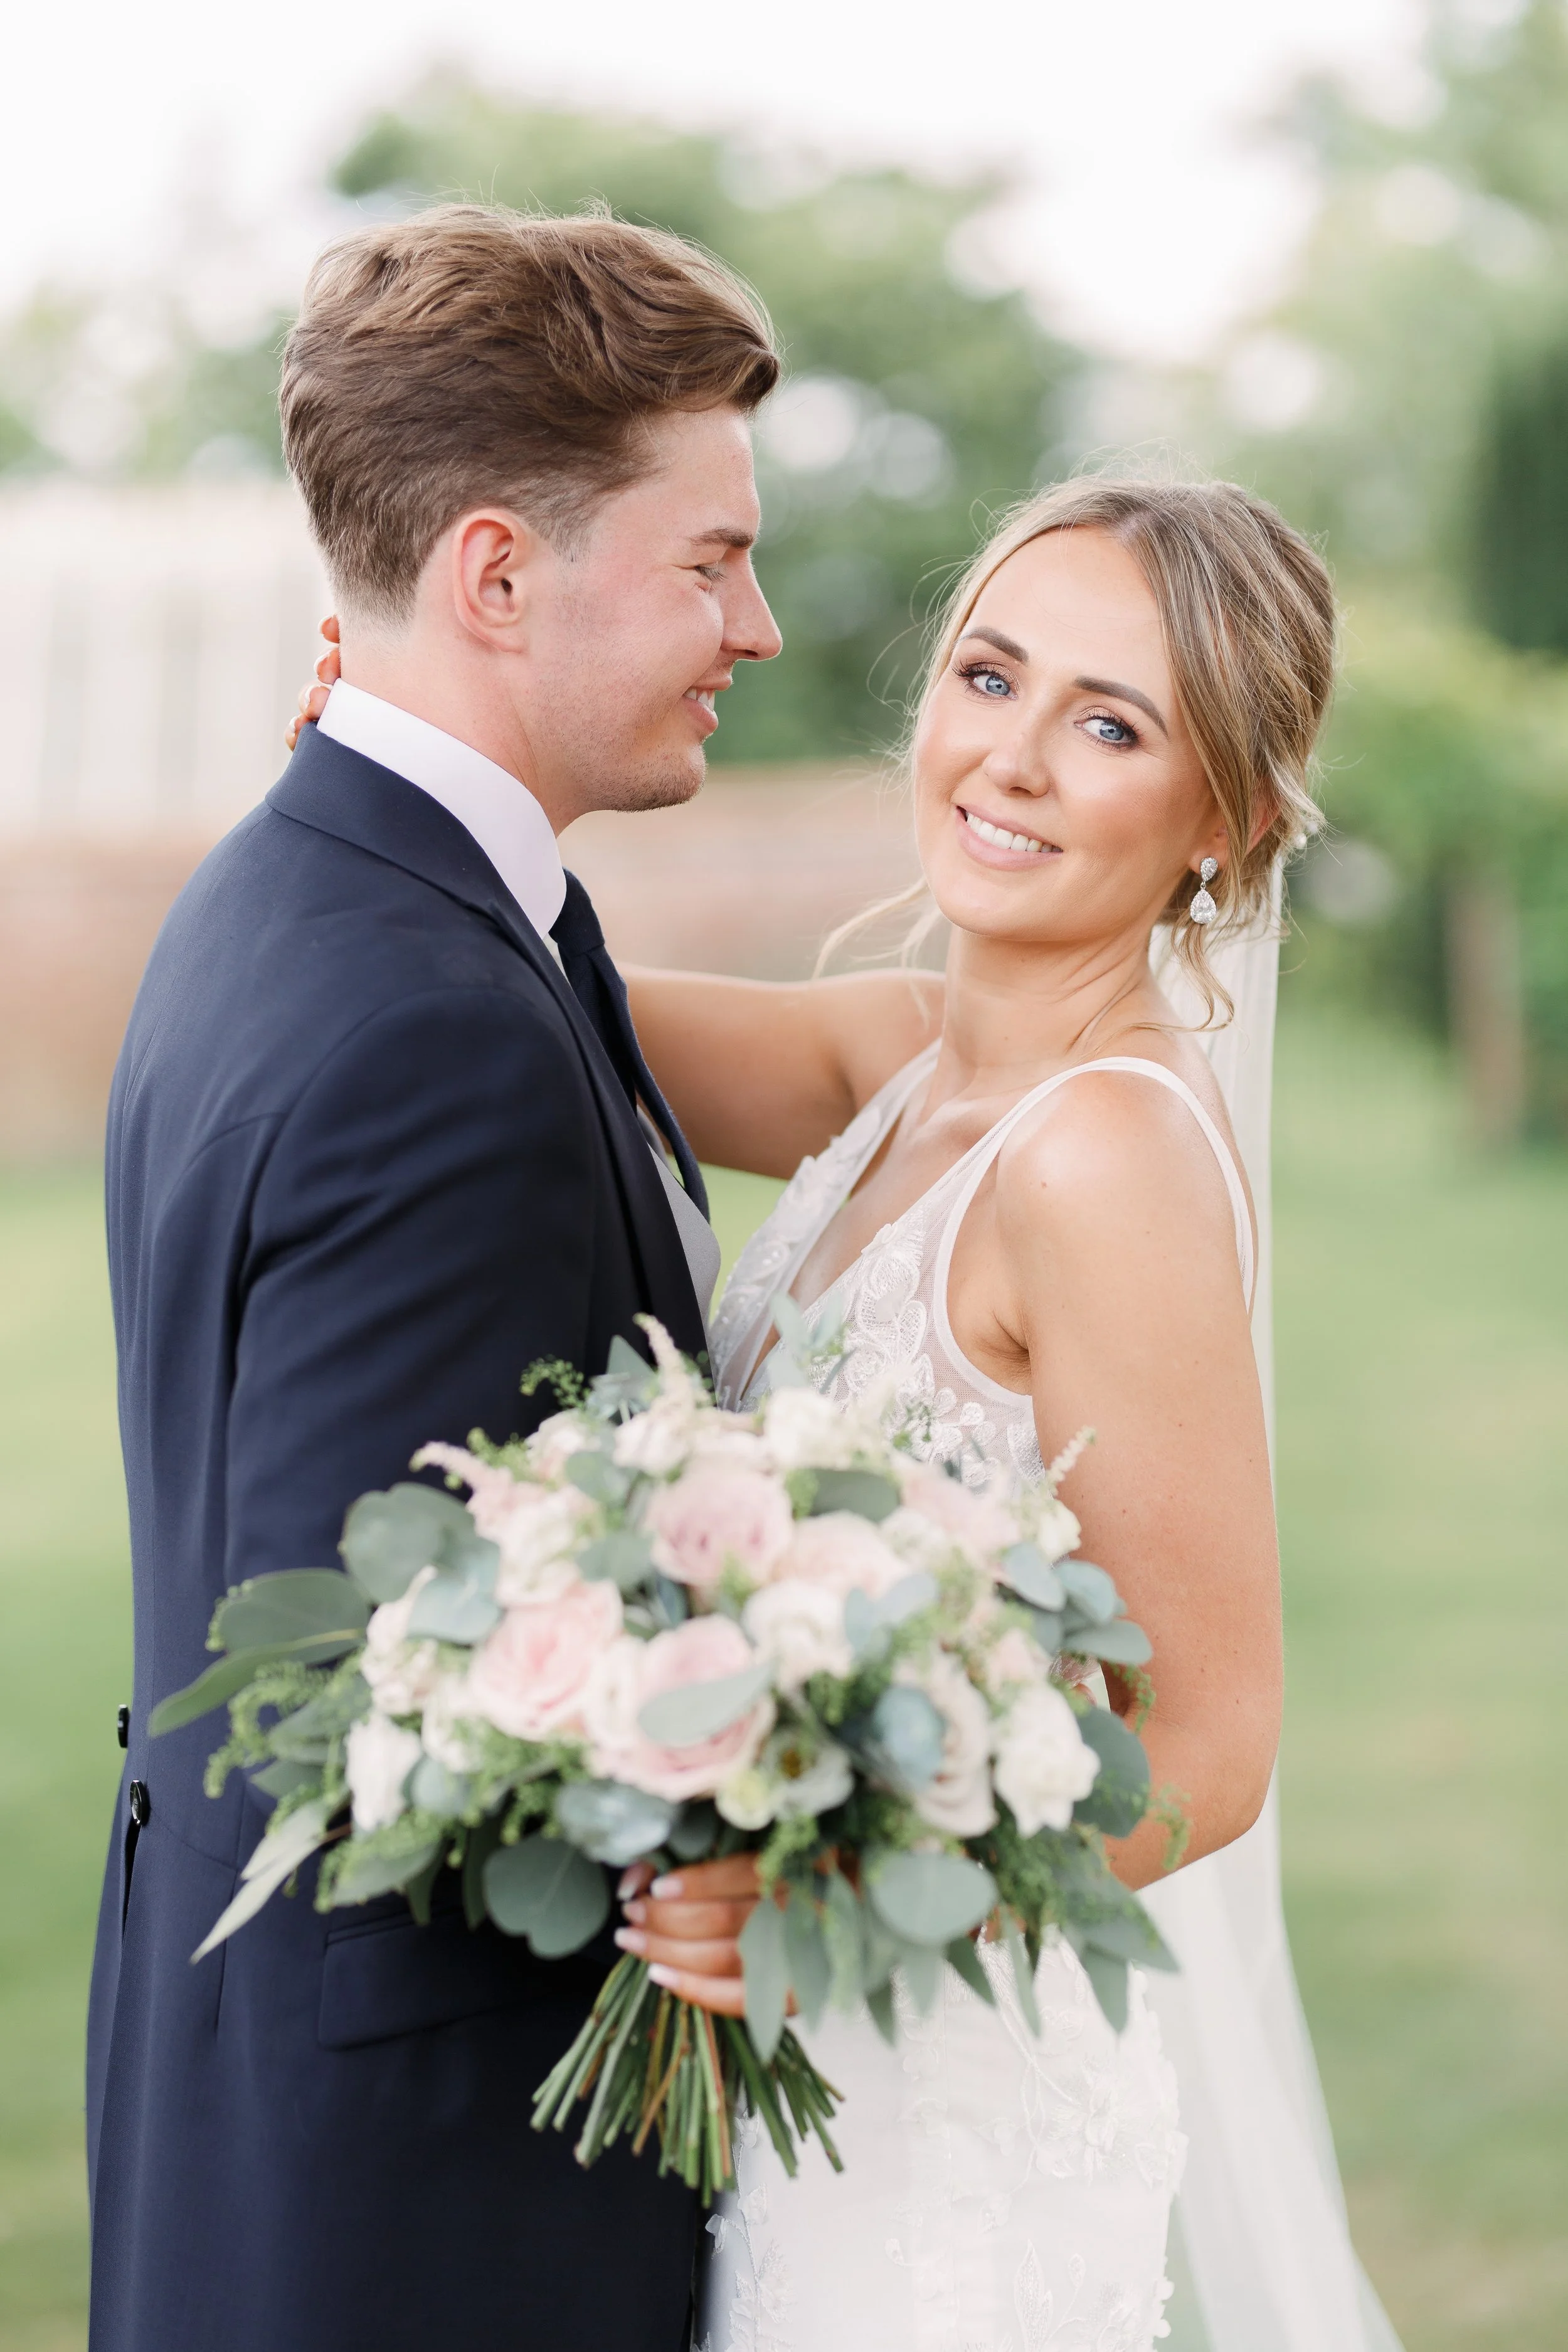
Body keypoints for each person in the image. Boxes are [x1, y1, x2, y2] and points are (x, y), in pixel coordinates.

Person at [598, 477, 1404, 2351]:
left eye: (1108, 724)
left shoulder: (1104, 1155)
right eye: (987, 676)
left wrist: (839, 1895)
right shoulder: (893, 1065)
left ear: (1228, 825)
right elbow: (536, 1001)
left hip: (936, 2144)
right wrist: (387, 783)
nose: (1012, 758)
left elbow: (1208, 1738)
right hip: (771, 2107)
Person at [88, 203, 783, 2352]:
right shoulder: (426, 1021)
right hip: (428, 2210)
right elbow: (362, 1695)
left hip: (275, 2118)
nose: (752, 624)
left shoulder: (322, 895)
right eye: (709, 559)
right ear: (496, 570)